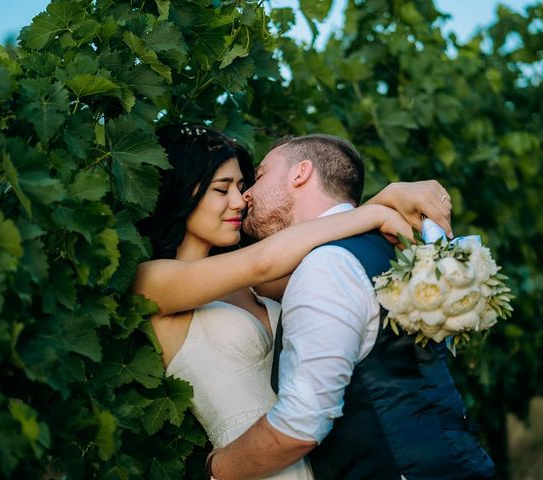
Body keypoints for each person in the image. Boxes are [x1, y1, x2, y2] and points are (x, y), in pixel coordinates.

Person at [134, 125, 453, 480]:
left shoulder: (256, 285)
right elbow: (265, 259)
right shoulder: (152, 282)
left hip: (311, 460)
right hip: (249, 468)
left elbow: (314, 242)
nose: (241, 201)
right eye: (222, 189)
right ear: (182, 191)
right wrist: (376, 211)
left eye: (241, 188)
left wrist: (387, 197)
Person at [207, 134, 497, 480]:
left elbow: (299, 425)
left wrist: (216, 468)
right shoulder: (391, 247)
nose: (247, 194)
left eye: (261, 175)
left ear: (300, 173)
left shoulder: (325, 267)